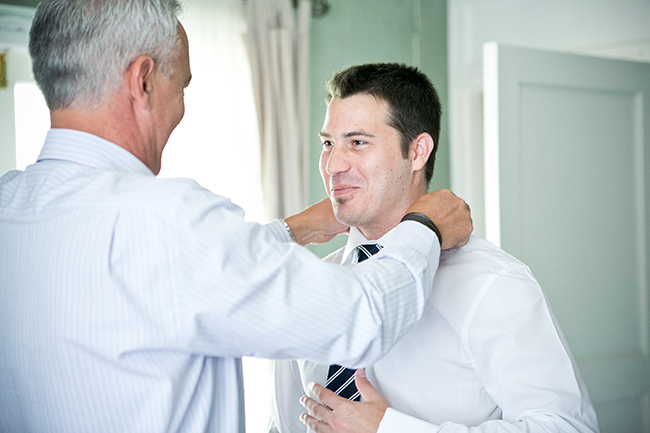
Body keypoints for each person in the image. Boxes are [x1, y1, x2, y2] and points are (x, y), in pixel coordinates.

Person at [0, 2, 474, 432]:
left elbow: (166, 275)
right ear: (142, 80)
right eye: (180, 85)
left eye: (357, 142)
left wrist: (293, 230)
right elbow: (364, 318)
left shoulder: (9, 205)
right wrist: (425, 226)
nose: (334, 162)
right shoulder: (172, 223)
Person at [268, 63, 599, 433]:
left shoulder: (491, 283)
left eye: (358, 142)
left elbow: (568, 427)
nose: (332, 165)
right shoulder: (310, 283)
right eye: (328, 143)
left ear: (419, 151)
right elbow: (280, 424)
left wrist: (390, 429)